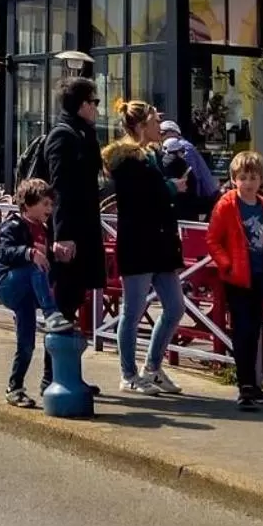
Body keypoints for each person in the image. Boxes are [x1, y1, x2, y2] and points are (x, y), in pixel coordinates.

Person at [105, 100, 188, 397]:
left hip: (160, 241)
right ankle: (128, 374)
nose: (159, 127)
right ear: (141, 126)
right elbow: (140, 196)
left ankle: (152, 367)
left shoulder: (151, 156)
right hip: (138, 242)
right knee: (133, 309)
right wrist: (169, 188)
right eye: (154, 122)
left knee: (176, 306)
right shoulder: (126, 160)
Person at [0, 178, 71, 408]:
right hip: (6, 282)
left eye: (51, 205)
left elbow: (45, 263)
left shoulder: (44, 230)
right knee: (34, 264)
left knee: (26, 343)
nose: (49, 209)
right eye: (45, 204)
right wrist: (30, 252)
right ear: (28, 204)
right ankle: (51, 314)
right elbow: (4, 252)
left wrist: (54, 253)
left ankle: (15, 388)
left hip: (26, 293)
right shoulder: (13, 225)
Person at [40, 76, 107, 350]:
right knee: (64, 305)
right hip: (71, 233)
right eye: (94, 102)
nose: (97, 108)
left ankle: (70, 373)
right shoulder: (63, 135)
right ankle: (52, 376)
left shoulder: (83, 133)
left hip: (85, 227)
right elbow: (61, 189)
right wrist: (63, 235)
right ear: (81, 105)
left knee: (75, 300)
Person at [207, 150, 263, 411]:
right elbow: (213, 239)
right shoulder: (226, 204)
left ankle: (252, 383)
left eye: (253, 177)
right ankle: (245, 384)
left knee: (255, 329)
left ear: (260, 180)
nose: (248, 183)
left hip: (259, 276)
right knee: (242, 329)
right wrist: (227, 265)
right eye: (243, 177)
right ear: (234, 179)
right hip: (237, 278)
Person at [160, 119, 218, 219]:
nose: (161, 135)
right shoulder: (177, 147)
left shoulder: (182, 146)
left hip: (200, 196)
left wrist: (195, 199)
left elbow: (194, 175)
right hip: (201, 197)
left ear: (174, 132)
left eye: (164, 132)